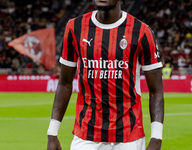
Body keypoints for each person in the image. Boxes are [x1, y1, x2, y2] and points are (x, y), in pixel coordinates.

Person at [47, 0, 164, 150]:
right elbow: (64, 83)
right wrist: (52, 133)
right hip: (86, 137)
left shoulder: (141, 31)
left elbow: (156, 90)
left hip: (128, 138)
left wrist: (156, 138)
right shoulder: (74, 27)